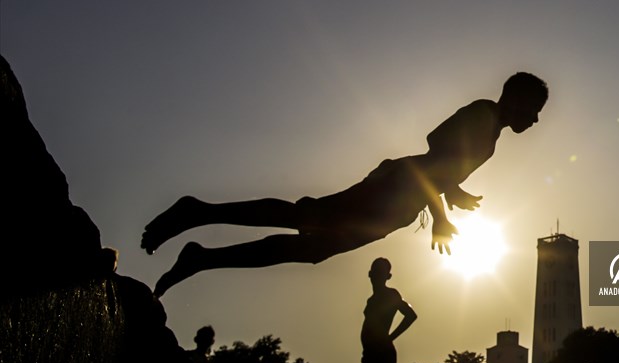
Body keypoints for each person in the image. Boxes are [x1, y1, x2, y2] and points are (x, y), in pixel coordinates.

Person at [142, 72, 548, 297]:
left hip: (397, 207)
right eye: (534, 109)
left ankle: (202, 258)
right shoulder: (483, 115)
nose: (535, 119)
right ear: (516, 99)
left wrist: (453, 191)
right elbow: (432, 158)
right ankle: (198, 212)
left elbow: (441, 164)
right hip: (391, 190)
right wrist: (441, 214)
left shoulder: (491, 132)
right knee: (307, 219)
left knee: (312, 247)